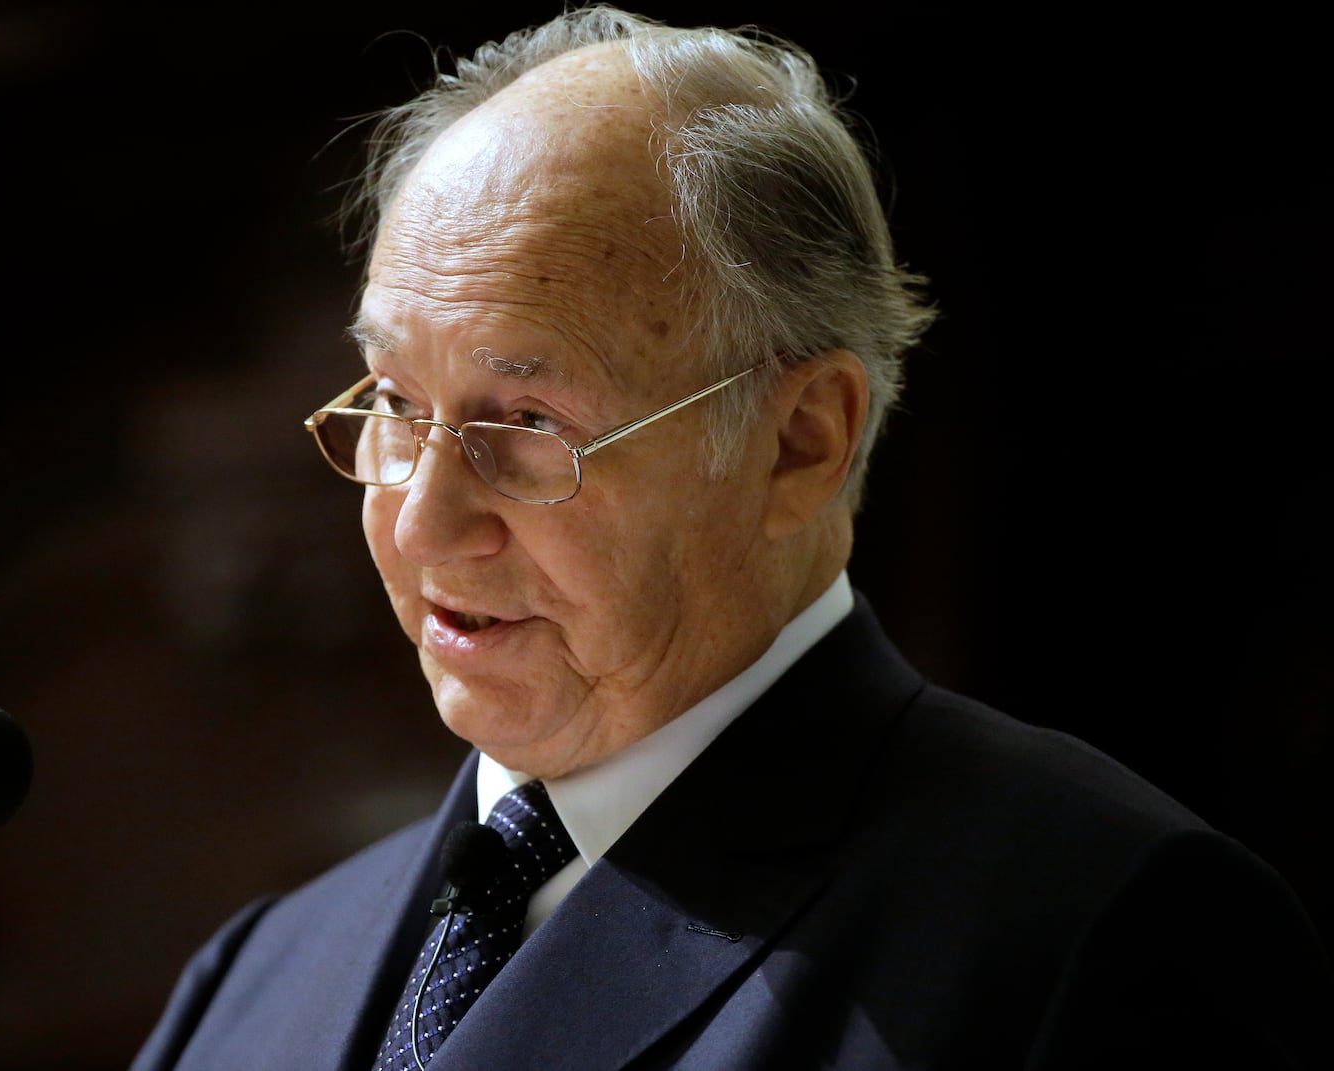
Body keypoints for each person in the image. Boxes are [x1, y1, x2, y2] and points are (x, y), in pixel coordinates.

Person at [130, 5, 1332, 1069]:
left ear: (799, 442)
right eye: (394, 404)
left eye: (529, 422)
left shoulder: (1087, 935)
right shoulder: (261, 976)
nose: (423, 518)